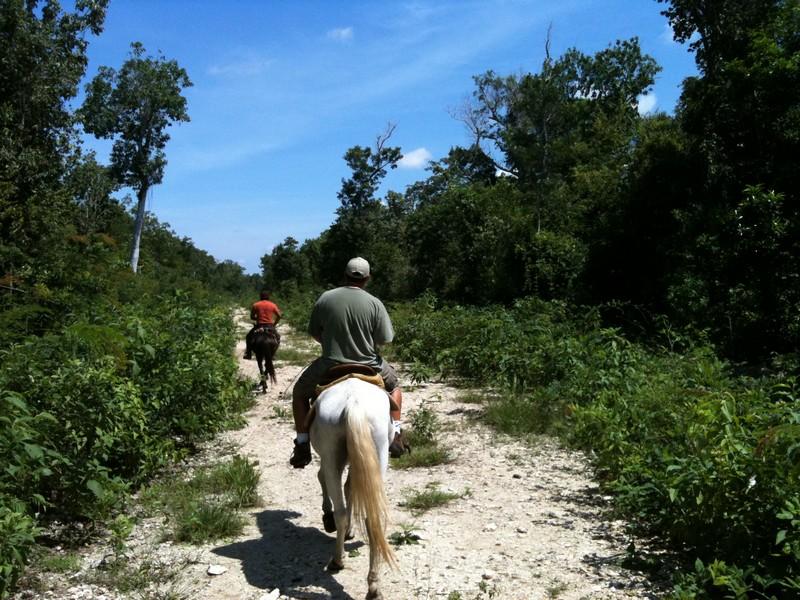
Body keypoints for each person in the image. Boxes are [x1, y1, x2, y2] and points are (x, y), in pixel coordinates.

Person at [290, 257, 407, 468]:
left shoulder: (326, 298)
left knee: (299, 393)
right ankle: (396, 432)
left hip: (330, 364)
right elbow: (385, 339)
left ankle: (302, 443)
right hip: (370, 363)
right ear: (367, 278)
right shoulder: (374, 303)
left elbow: (316, 333)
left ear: (344, 275)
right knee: (395, 387)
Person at [244, 290, 282, 360]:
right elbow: (279, 316)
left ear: (260, 297)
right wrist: (274, 324)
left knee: (248, 337)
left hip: (259, 326)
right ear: (268, 297)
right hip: (270, 326)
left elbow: (252, 317)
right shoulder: (273, 305)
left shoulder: (255, 305)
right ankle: (273, 354)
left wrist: (258, 318)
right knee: (278, 337)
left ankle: (248, 354)